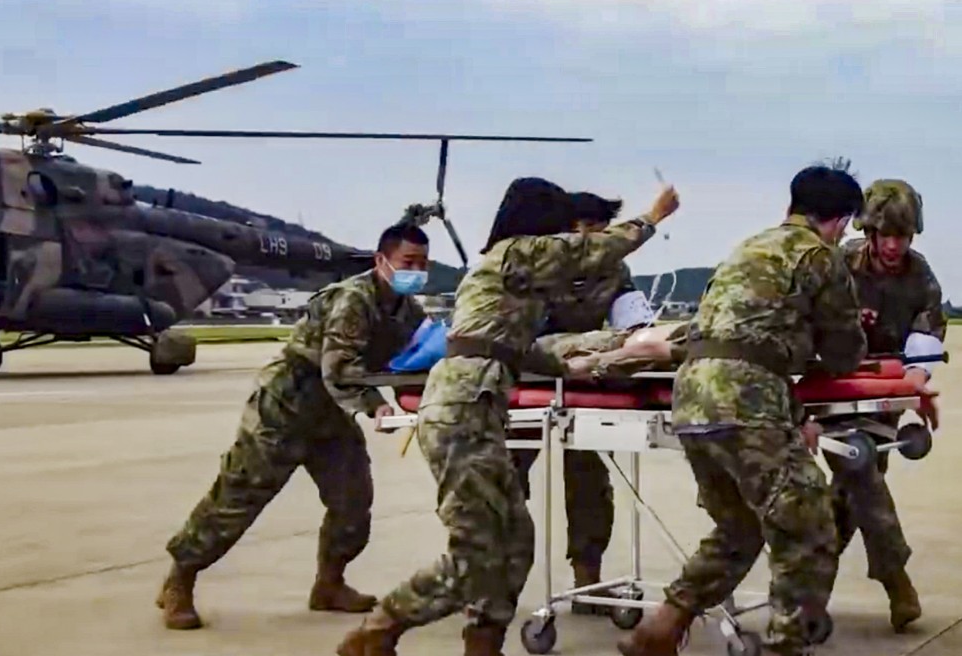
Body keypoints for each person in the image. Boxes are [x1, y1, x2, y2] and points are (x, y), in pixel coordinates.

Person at [336, 176, 681, 655]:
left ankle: (483, 642)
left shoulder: (514, 275)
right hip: (460, 409)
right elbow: (592, 250)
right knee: (476, 552)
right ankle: (377, 633)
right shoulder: (517, 253)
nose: (565, 234)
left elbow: (505, 342)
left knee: (515, 541)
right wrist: (654, 216)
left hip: (480, 407)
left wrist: (573, 365)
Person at [617, 161, 868, 656]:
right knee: (809, 527)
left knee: (741, 527)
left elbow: (742, 329)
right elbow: (844, 352)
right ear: (840, 222)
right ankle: (786, 646)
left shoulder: (748, 248)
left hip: (692, 396)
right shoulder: (820, 256)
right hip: (745, 401)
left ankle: (661, 630)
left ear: (792, 205)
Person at [157, 223, 430, 630]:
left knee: (353, 501)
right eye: (409, 262)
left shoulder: (409, 312)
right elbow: (340, 367)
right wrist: (375, 406)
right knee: (237, 499)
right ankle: (180, 579)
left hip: (331, 414)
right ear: (381, 260)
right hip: (284, 406)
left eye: (423, 264)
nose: (417, 271)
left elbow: (408, 361)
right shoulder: (353, 299)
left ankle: (329, 584)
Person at [510, 190, 652, 614]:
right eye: (590, 230)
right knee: (503, 479)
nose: (599, 240)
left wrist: (639, 341)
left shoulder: (615, 269)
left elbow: (634, 319)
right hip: (527, 378)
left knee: (590, 481)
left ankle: (587, 582)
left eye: (604, 231)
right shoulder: (540, 262)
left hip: (585, 379)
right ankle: (489, 582)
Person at [829, 178, 947, 632]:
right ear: (870, 231)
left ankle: (805, 593)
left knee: (852, 486)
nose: (895, 246)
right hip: (830, 388)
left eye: (904, 235)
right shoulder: (839, 263)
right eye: (887, 235)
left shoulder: (920, 276)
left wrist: (915, 382)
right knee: (860, 473)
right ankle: (896, 581)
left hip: (883, 392)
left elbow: (926, 335)